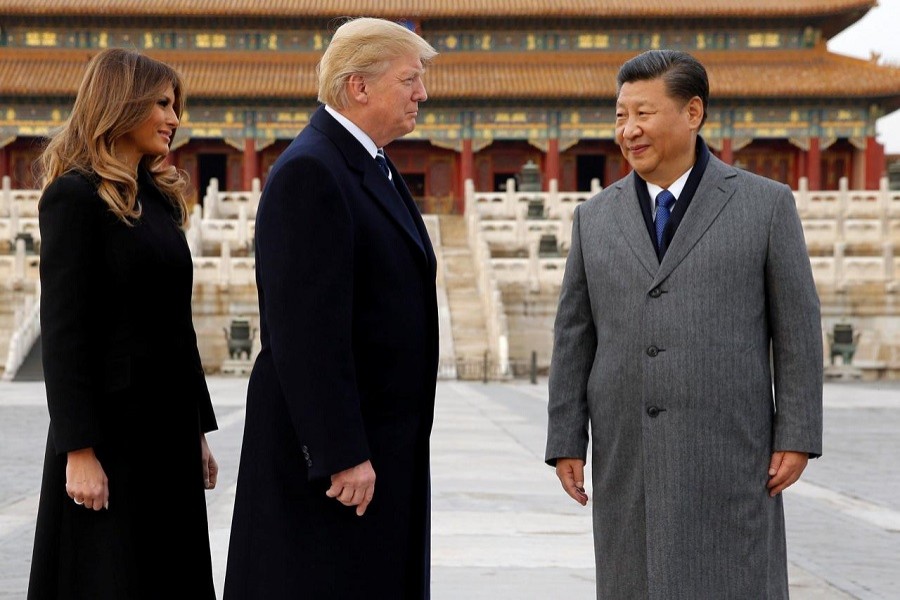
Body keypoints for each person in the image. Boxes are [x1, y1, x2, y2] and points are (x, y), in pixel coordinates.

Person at [545, 49, 823, 599]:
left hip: (729, 448)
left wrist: (797, 433)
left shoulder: (764, 205)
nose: (628, 130)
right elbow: (574, 335)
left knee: (734, 581)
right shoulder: (595, 217)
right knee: (635, 581)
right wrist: (565, 439)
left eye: (643, 113)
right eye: (620, 115)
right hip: (628, 449)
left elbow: (797, 327)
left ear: (692, 113)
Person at [223, 17, 439, 599]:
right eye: (409, 79)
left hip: (380, 443)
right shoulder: (312, 171)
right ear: (358, 86)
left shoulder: (371, 164)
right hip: (335, 465)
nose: (422, 93)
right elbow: (304, 333)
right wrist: (341, 452)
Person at [28, 48, 219, 599]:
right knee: (109, 577)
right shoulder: (74, 198)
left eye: (176, 104)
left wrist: (199, 430)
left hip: (167, 432)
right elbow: (63, 334)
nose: (174, 117)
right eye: (162, 103)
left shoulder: (156, 199)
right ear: (122, 104)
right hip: (110, 433)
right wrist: (79, 450)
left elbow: (176, 326)